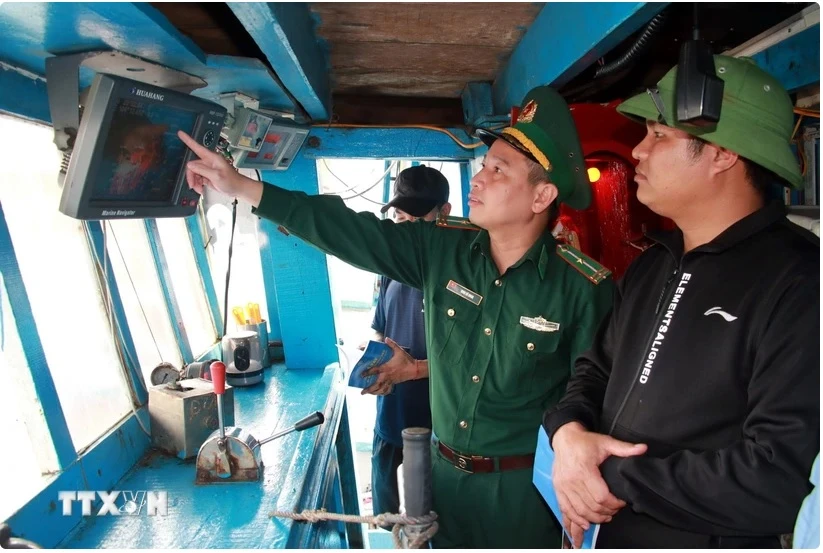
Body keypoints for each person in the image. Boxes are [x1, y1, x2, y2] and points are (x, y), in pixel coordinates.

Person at [178, 84, 614, 548]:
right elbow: (347, 230)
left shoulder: (584, 289)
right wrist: (241, 186)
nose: (479, 179)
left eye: (498, 170)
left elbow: (594, 400)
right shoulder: (440, 247)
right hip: (441, 484)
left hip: (523, 498)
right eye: (483, 166)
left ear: (542, 195)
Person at [543, 55, 820, 548]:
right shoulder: (654, 263)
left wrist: (607, 476)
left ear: (723, 154)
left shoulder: (799, 280)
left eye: (659, 135)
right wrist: (567, 434)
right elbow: (595, 372)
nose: (639, 152)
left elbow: (779, 476)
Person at [362, 165, 451, 522]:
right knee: (388, 516)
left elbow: (479, 360)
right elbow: (381, 331)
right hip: (391, 412)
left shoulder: (462, 268)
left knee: (433, 518)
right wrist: (374, 367)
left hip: (441, 422)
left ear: (444, 213)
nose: (408, 226)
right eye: (401, 216)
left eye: (419, 216)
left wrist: (416, 369)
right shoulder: (390, 265)